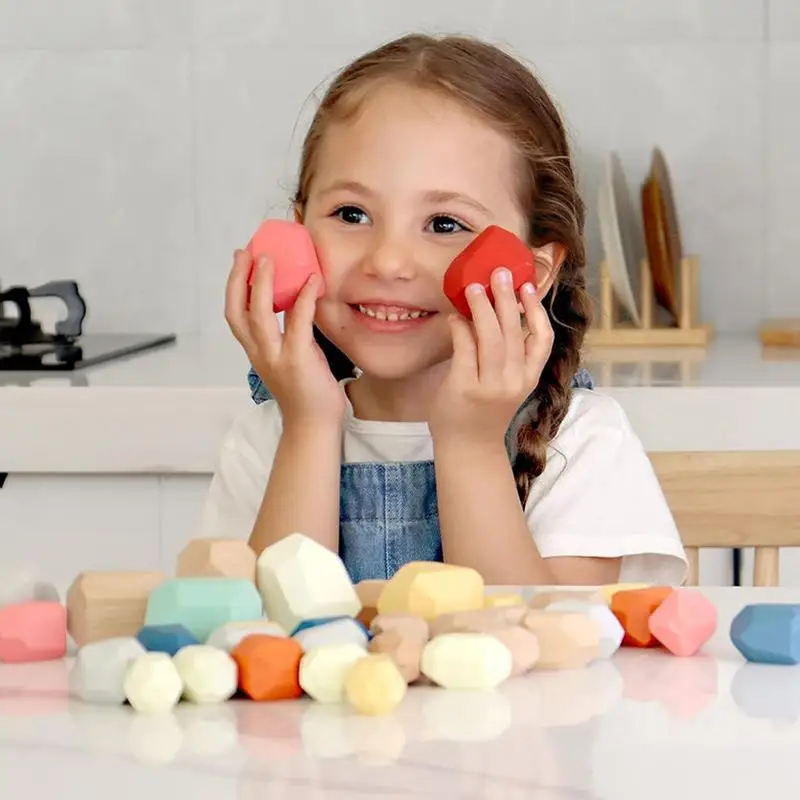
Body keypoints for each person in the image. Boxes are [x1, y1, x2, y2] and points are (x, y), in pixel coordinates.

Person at [197, 33, 687, 587]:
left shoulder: (578, 441)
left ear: (536, 269)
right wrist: (309, 427)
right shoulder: (266, 439)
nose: (387, 261)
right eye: (352, 214)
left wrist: (472, 444)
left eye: (445, 224)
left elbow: (544, 648)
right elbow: (259, 649)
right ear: (296, 229)